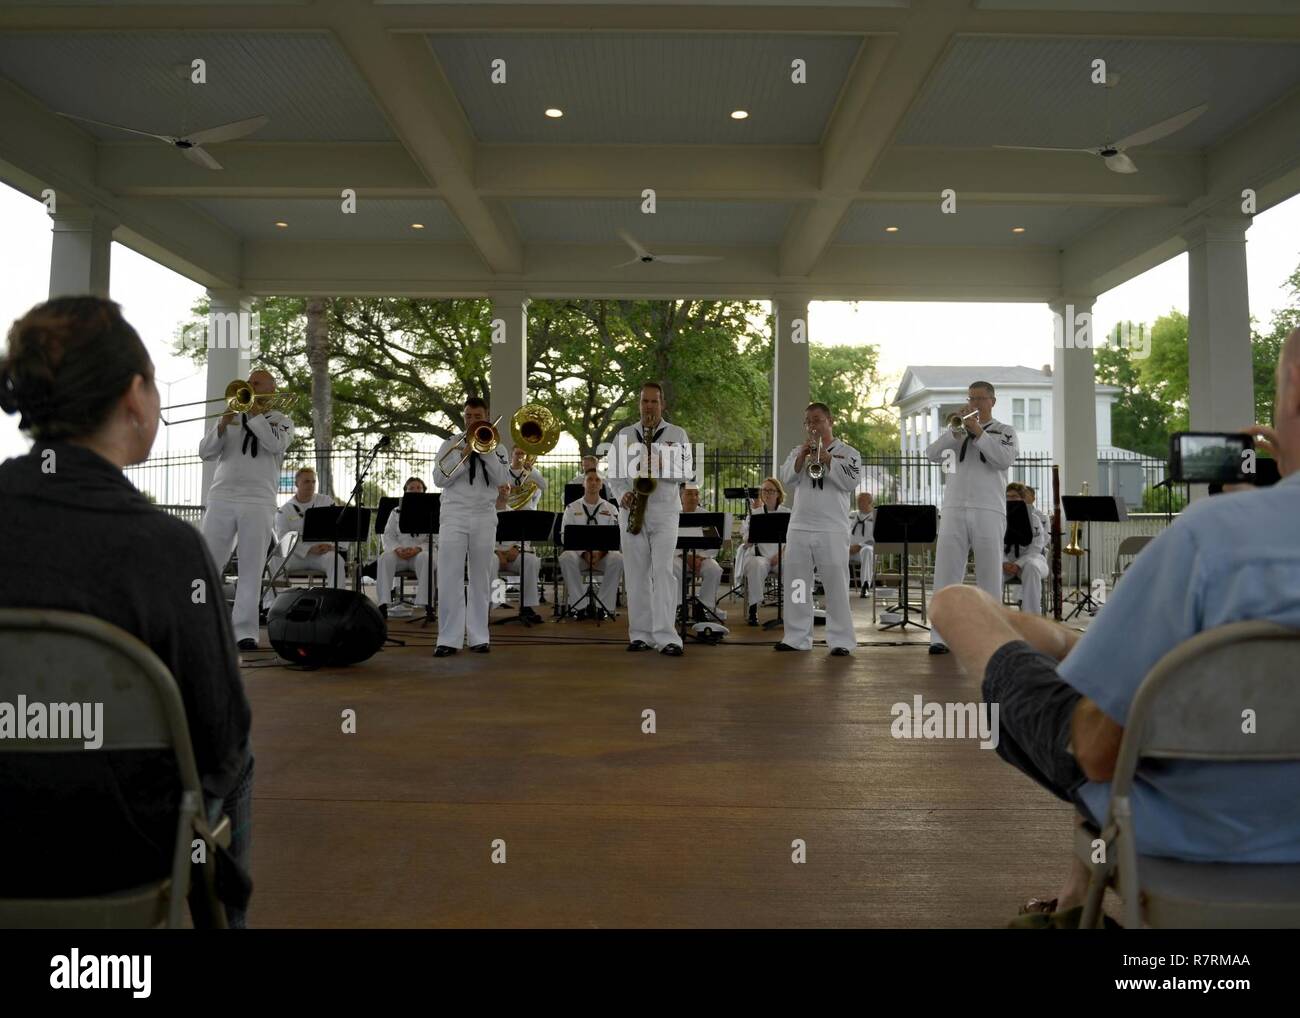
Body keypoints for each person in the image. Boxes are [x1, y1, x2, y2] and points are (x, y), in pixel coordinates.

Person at [929, 327, 1300, 919]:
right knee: (1075, 656)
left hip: (1188, 829)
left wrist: (1246, 507)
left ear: (1293, 394)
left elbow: (1098, 753)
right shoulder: (1228, 538)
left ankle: (1063, 647)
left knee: (960, 605)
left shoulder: (1209, 540)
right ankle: (1077, 897)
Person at [0, 296, 254, 927]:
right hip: (123, 855)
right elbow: (218, 744)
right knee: (239, 761)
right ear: (136, 396)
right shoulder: (166, 552)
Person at [198, 368, 294, 651]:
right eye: (249, 382)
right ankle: (198, 624)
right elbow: (206, 452)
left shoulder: (282, 421)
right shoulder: (230, 416)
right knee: (207, 565)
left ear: (271, 391)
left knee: (251, 569)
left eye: (256, 383)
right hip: (222, 497)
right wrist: (222, 423)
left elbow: (274, 444)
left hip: (259, 500)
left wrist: (252, 415)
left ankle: (244, 632)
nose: (250, 386)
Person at [925, 381, 1019, 655]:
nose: (975, 403)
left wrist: (978, 432)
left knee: (989, 574)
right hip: (954, 508)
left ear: (992, 401)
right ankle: (940, 637)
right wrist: (955, 431)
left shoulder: (1005, 431)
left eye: (980, 398)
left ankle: (991, 638)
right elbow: (931, 455)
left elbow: (1003, 459)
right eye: (971, 398)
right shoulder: (957, 431)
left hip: (988, 509)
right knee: (946, 573)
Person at [607, 382, 692, 656]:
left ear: (662, 404)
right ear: (638, 404)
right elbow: (614, 475)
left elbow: (687, 472)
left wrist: (662, 465)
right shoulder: (624, 435)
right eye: (645, 401)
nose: (649, 407)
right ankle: (641, 634)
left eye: (654, 402)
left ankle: (667, 637)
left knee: (663, 572)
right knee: (636, 574)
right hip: (632, 512)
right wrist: (621, 494)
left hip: (665, 512)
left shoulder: (677, 434)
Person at [777, 402, 861, 656]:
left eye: (817, 420)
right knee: (798, 584)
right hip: (800, 526)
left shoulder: (848, 453)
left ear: (829, 421)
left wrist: (827, 459)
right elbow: (786, 478)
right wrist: (802, 457)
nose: (813, 426)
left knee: (835, 584)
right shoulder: (797, 451)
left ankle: (841, 640)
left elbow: (850, 482)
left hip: (832, 527)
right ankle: (797, 637)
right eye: (809, 422)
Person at [433, 397, 512, 656]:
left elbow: (502, 479)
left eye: (477, 416)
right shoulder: (450, 443)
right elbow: (438, 479)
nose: (472, 420)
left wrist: (485, 452)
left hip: (484, 514)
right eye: (468, 416)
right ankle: (448, 638)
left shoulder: (497, 447)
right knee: (449, 576)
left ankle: (479, 636)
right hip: (454, 514)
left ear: (486, 417)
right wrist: (463, 454)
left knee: (481, 576)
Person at [559, 467, 624, 617]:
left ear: (602, 485)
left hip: (602, 557)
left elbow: (616, 537)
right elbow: (565, 536)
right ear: (583, 483)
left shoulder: (612, 509)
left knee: (618, 558)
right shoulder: (571, 508)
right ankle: (579, 606)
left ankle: (604, 607)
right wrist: (583, 553)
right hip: (580, 557)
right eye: (590, 479)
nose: (593, 483)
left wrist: (600, 553)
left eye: (597, 480)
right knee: (566, 557)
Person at [273, 466, 345, 588]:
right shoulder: (285, 511)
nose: (311, 485)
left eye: (313, 481)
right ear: (297, 484)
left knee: (337, 561)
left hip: (322, 553)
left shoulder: (326, 502)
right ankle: (271, 603)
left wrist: (332, 546)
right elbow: (283, 539)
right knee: (274, 561)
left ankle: (335, 602)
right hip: (295, 556)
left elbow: (339, 526)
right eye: (306, 481)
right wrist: (308, 549)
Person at [376, 476, 435, 618]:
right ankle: (383, 603)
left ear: (424, 492)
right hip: (400, 554)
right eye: (411, 488)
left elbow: (435, 538)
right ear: (405, 492)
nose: (415, 491)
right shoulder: (395, 511)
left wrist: (418, 548)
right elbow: (388, 535)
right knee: (384, 557)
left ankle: (426, 604)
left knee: (426, 557)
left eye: (419, 488)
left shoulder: (432, 510)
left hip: (420, 553)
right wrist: (397, 549)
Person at [738, 477, 789, 626]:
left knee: (793, 567)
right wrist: (749, 538)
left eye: (771, 490)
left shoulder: (787, 513)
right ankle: (753, 607)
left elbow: (792, 540)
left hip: (781, 556)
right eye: (764, 490)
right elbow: (746, 541)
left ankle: (793, 609)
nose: (767, 494)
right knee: (756, 565)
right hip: (760, 557)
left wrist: (779, 556)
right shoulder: (754, 514)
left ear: (778, 494)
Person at [673, 484, 727, 622]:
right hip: (678, 557)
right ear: (680, 496)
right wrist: (686, 557)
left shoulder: (706, 516)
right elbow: (666, 542)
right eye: (689, 494)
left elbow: (714, 544)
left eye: (696, 494)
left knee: (714, 569)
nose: (693, 497)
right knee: (673, 568)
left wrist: (700, 557)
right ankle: (679, 606)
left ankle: (704, 606)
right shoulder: (672, 515)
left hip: (702, 558)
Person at [494, 486, 545, 624]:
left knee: (531, 560)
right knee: (491, 560)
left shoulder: (515, 514)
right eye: (501, 487)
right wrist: (497, 552)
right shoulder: (484, 512)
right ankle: (491, 603)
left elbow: (524, 540)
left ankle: (526, 606)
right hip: (492, 555)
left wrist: (516, 548)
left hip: (512, 556)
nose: (504, 489)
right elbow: (478, 538)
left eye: (507, 487)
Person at [1003, 483, 1047, 616]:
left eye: (1014, 496)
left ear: (1022, 499)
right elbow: (994, 545)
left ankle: (1031, 617)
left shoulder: (1034, 520)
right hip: (1005, 562)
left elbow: (1036, 547)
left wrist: (1018, 564)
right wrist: (1004, 562)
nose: (1010, 500)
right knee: (992, 570)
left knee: (1032, 568)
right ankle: (994, 615)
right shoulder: (999, 519)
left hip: (1030, 560)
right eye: (1008, 497)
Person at [848, 491, 876, 597]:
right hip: (849, 549)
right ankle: (839, 586)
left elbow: (876, 538)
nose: (859, 503)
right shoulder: (852, 515)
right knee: (837, 551)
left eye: (862, 501)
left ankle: (865, 586)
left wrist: (860, 545)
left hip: (867, 549)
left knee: (867, 550)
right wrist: (846, 546)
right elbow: (843, 531)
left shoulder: (875, 516)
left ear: (870, 502)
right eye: (858, 501)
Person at [505, 446, 547, 511]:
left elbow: (544, 486)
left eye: (522, 453)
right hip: (509, 510)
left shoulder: (532, 472)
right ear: (512, 455)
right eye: (517, 453)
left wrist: (532, 468)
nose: (520, 456)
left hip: (527, 512)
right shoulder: (504, 471)